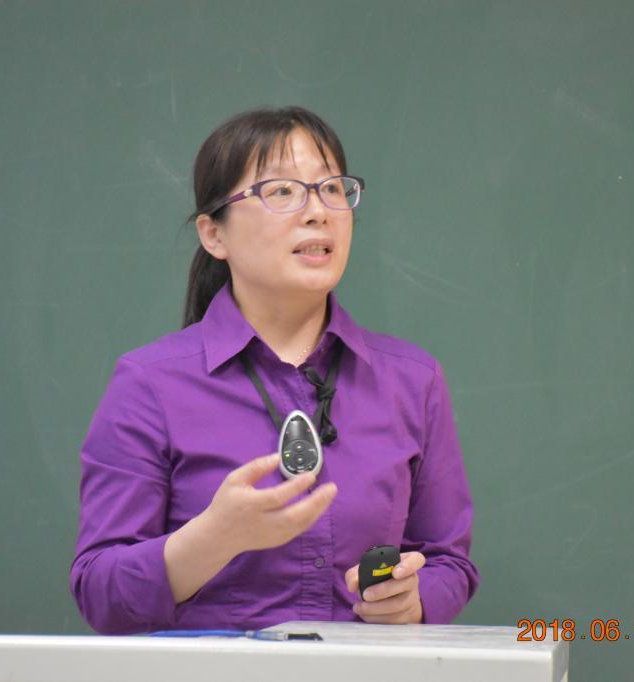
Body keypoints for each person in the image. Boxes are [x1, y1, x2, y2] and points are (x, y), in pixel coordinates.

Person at [70, 106, 478, 635]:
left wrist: (411, 599)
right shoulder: (150, 384)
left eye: (332, 188)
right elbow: (100, 592)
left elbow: (448, 562)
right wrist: (214, 538)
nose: (318, 211)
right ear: (214, 235)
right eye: (282, 191)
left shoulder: (412, 381)